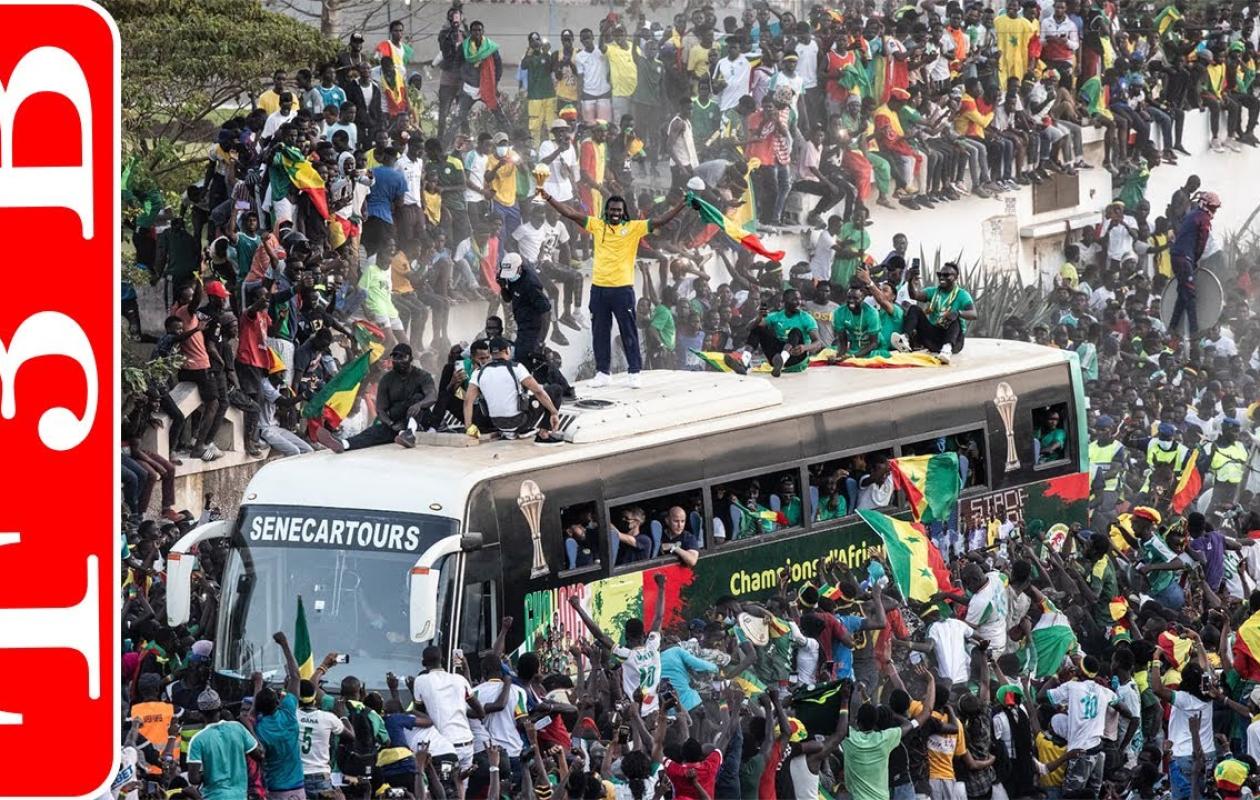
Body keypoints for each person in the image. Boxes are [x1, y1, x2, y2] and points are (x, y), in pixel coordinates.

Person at [538, 188, 687, 389]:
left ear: (623, 212)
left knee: (628, 331)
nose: (615, 213)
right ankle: (603, 373)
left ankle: (634, 372)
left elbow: (660, 220)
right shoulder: (597, 225)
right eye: (612, 210)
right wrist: (548, 197)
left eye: (618, 210)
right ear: (606, 211)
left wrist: (681, 205)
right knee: (600, 332)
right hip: (599, 289)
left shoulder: (634, 227)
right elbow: (570, 213)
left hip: (622, 290)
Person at [317, 343, 436, 451]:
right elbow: (381, 409)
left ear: (410, 359)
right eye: (395, 357)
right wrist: (391, 424)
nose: (398, 361)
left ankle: (410, 433)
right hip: (397, 422)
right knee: (374, 431)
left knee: (418, 397)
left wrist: (419, 405)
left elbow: (432, 396)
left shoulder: (422, 376)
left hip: (419, 420)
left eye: (402, 357)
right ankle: (344, 444)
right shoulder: (387, 379)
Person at [463, 336, 564, 443]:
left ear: (490, 353)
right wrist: (554, 412)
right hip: (520, 422)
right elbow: (538, 391)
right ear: (507, 350)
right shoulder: (516, 367)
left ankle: (512, 432)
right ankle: (544, 434)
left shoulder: (478, 373)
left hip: (496, 423)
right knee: (555, 390)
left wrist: (469, 427)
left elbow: (468, 401)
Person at [412, 645, 486, 776]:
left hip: (444, 748)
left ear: (423, 663)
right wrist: (459, 710)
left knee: (445, 786)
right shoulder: (460, 679)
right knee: (462, 786)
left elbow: (421, 715)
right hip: (467, 744)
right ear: (443, 660)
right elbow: (481, 713)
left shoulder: (420, 681)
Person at [187, 689, 261, 800]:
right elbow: (259, 755)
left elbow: (193, 779)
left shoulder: (197, 739)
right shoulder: (238, 728)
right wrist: (250, 728)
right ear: (220, 708)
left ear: (200, 713)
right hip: (239, 796)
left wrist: (211, 773)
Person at [1168, 191, 1221, 341]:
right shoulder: (1203, 218)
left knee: (1183, 293)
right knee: (1190, 294)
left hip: (1177, 256)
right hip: (1185, 258)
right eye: (1213, 208)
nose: (1214, 211)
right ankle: (1194, 330)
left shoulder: (1192, 215)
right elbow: (1201, 242)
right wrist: (1195, 259)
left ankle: (1172, 326)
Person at [901, 261, 977, 363]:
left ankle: (946, 349)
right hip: (934, 338)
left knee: (954, 316)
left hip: (954, 341)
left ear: (956, 277)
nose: (941, 277)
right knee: (914, 309)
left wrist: (958, 313)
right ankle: (904, 339)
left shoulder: (962, 295)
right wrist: (910, 280)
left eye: (946, 275)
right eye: (940, 274)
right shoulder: (933, 292)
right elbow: (914, 295)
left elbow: (973, 314)